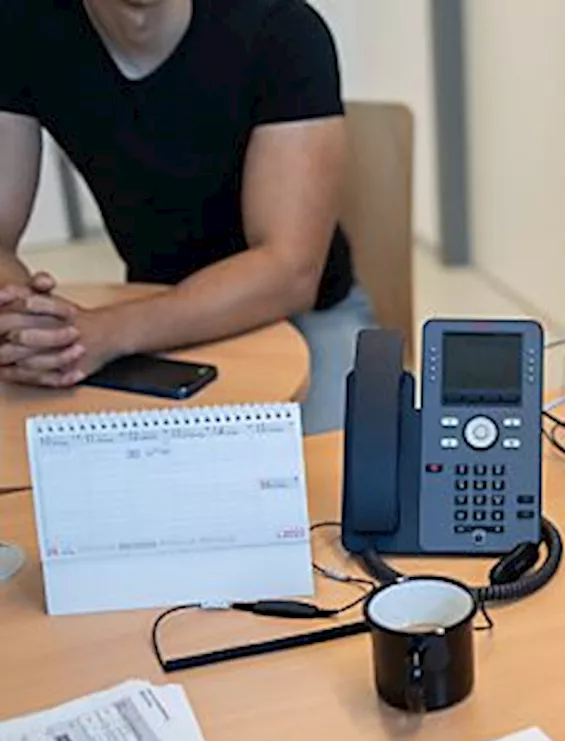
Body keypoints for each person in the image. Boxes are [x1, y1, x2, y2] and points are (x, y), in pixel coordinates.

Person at [0, 0, 374, 434]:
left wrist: (104, 332)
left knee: (343, 485)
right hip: (153, 308)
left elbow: (288, 273)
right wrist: (27, 319)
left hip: (309, 316)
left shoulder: (282, 29)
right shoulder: (22, 28)